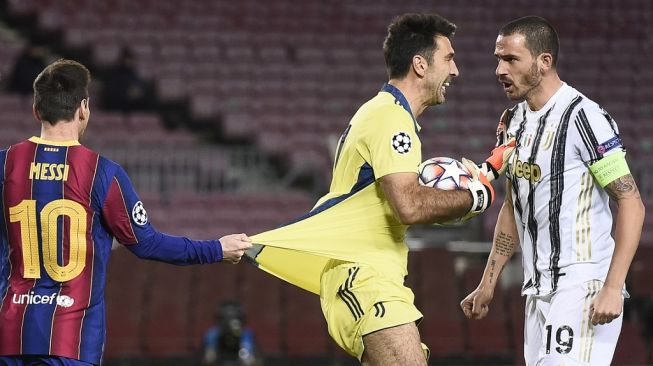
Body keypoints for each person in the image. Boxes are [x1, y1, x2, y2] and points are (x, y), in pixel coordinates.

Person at [246, 13, 514, 365]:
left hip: (375, 275)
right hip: (362, 275)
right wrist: (476, 198)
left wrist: (485, 173)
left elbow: (403, 195)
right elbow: (409, 205)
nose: (455, 71)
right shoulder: (390, 118)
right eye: (448, 58)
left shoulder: (385, 114)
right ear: (420, 64)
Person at [0, 59, 252, 366]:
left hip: (9, 336)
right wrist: (216, 249)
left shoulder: (4, 165)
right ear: (84, 109)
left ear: (36, 110)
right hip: (72, 341)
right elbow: (148, 244)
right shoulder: (102, 173)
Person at [460, 16, 645, 366]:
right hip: (537, 288)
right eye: (498, 59)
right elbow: (513, 207)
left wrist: (611, 286)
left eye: (511, 59)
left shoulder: (584, 117)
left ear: (544, 62)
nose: (500, 69)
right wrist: (488, 283)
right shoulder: (512, 121)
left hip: (584, 283)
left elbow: (631, 202)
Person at [202, 301, 260, 366]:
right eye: (226, 319)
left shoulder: (246, 335)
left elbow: (251, 360)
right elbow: (207, 359)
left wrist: (247, 357)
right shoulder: (212, 334)